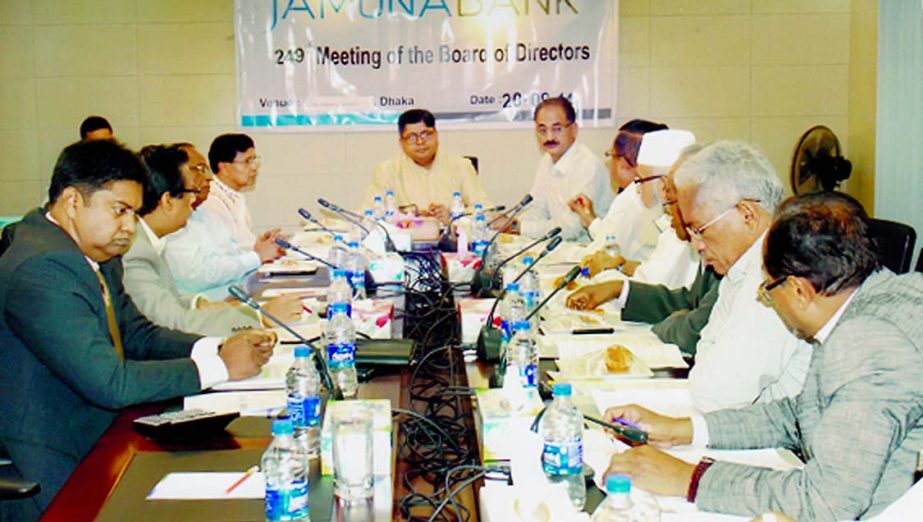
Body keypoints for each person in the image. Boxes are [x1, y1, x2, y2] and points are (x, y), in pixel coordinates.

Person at [603, 191, 923, 521]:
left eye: (769, 290)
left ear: (799, 291)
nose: (768, 300)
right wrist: (680, 428)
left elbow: (823, 502)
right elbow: (799, 414)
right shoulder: (879, 298)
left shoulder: (868, 343)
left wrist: (687, 478)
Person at [0, 140, 276, 518]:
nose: (129, 227)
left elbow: (137, 335)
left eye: (133, 213)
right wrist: (220, 368)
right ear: (72, 202)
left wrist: (216, 347)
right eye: (120, 211)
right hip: (54, 458)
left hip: (105, 434)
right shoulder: (42, 268)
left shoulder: (91, 250)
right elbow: (109, 382)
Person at [669, 141, 812, 410]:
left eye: (700, 229)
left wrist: (707, 374)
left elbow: (717, 394)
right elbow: (705, 350)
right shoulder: (742, 267)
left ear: (747, 214)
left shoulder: (777, 271)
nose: (696, 245)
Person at [123, 144, 302, 336]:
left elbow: (170, 300)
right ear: (168, 201)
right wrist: (259, 317)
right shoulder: (135, 250)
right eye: (189, 193)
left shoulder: (151, 240)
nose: (194, 200)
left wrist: (201, 304)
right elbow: (173, 322)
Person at [568, 142, 717, 356]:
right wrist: (617, 286)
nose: (637, 189)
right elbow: (683, 300)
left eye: (640, 180)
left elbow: (692, 326)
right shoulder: (677, 230)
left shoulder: (697, 240)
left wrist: (614, 278)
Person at [164, 144, 283, 301]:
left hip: (237, 295)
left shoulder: (202, 214)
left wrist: (258, 250)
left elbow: (232, 254)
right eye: (200, 169)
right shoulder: (174, 221)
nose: (209, 177)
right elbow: (199, 275)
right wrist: (257, 256)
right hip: (213, 308)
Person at [361, 108, 492, 224]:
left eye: (426, 134)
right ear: (401, 143)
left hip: (453, 243)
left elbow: (486, 210)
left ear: (436, 135)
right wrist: (407, 216)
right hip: (406, 245)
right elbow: (369, 214)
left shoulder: (461, 166)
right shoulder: (387, 170)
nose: (420, 142)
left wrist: (453, 216)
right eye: (411, 137)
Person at [569, 123, 679, 261]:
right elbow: (615, 238)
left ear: (624, 164)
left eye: (611, 155)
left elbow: (600, 252)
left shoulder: (632, 196)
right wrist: (590, 219)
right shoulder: (666, 195)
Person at [519, 96, 613, 241]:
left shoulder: (587, 165)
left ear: (574, 129)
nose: (549, 137)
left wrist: (519, 228)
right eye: (542, 130)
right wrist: (513, 223)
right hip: (561, 249)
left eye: (557, 129)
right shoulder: (547, 160)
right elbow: (538, 207)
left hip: (587, 251)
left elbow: (572, 228)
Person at [199, 133, 284, 251]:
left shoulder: (235, 195)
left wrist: (263, 241)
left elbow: (242, 238)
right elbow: (229, 249)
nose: (254, 168)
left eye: (254, 160)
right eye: (247, 161)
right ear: (225, 167)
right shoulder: (210, 199)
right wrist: (261, 247)